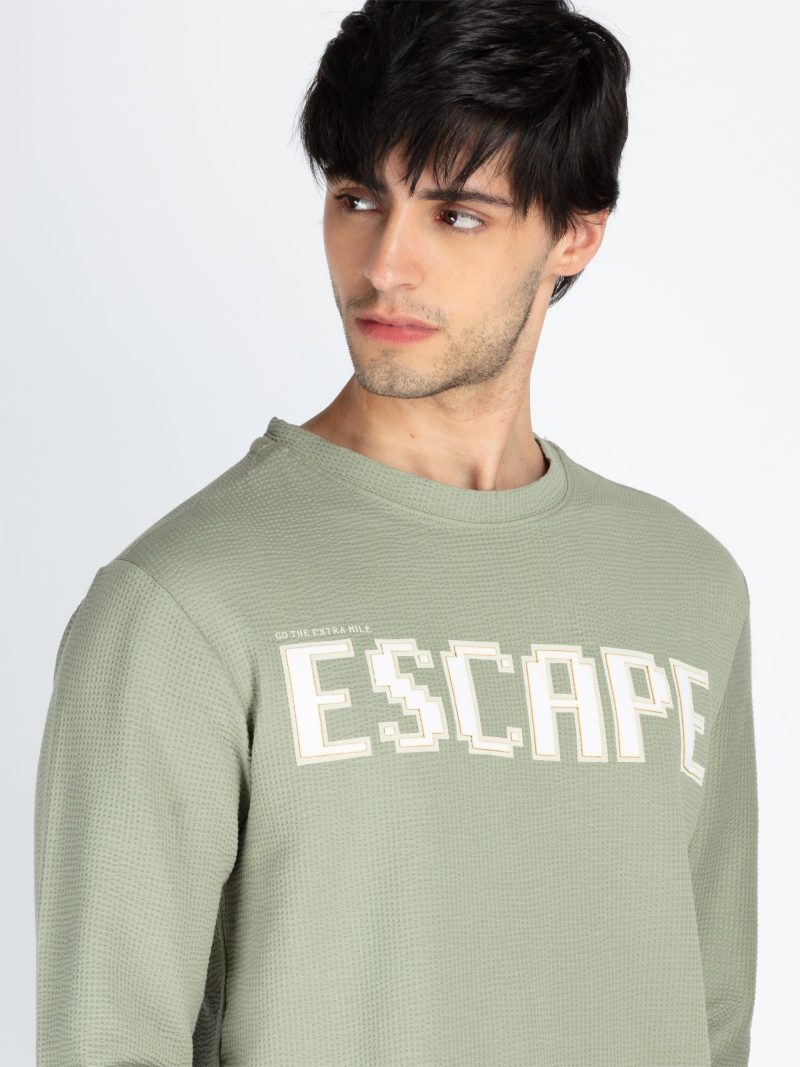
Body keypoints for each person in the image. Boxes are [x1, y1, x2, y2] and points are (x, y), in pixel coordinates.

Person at [34, 2, 758, 1065]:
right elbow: (108, 1039)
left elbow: (713, 1017)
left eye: (456, 215)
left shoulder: (686, 588)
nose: (384, 265)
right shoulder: (181, 606)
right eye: (357, 198)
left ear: (575, 232)